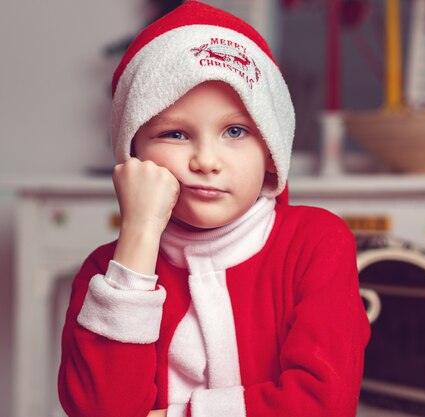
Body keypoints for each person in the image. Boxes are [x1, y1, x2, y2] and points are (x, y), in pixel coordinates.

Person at [57, 2, 370, 416]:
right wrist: (139, 237)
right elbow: (101, 409)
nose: (206, 160)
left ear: (272, 151)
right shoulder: (105, 274)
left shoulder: (315, 243)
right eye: (175, 133)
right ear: (132, 155)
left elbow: (323, 403)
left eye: (235, 131)